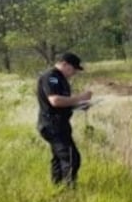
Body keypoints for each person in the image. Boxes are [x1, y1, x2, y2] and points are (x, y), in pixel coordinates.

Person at [36, 52, 92, 186]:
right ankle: (68, 189)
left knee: (59, 158)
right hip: (52, 125)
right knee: (71, 158)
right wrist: (80, 98)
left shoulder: (60, 78)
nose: (74, 73)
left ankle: (57, 186)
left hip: (60, 124)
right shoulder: (51, 77)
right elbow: (55, 101)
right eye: (73, 69)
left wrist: (78, 106)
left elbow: (63, 103)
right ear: (64, 64)